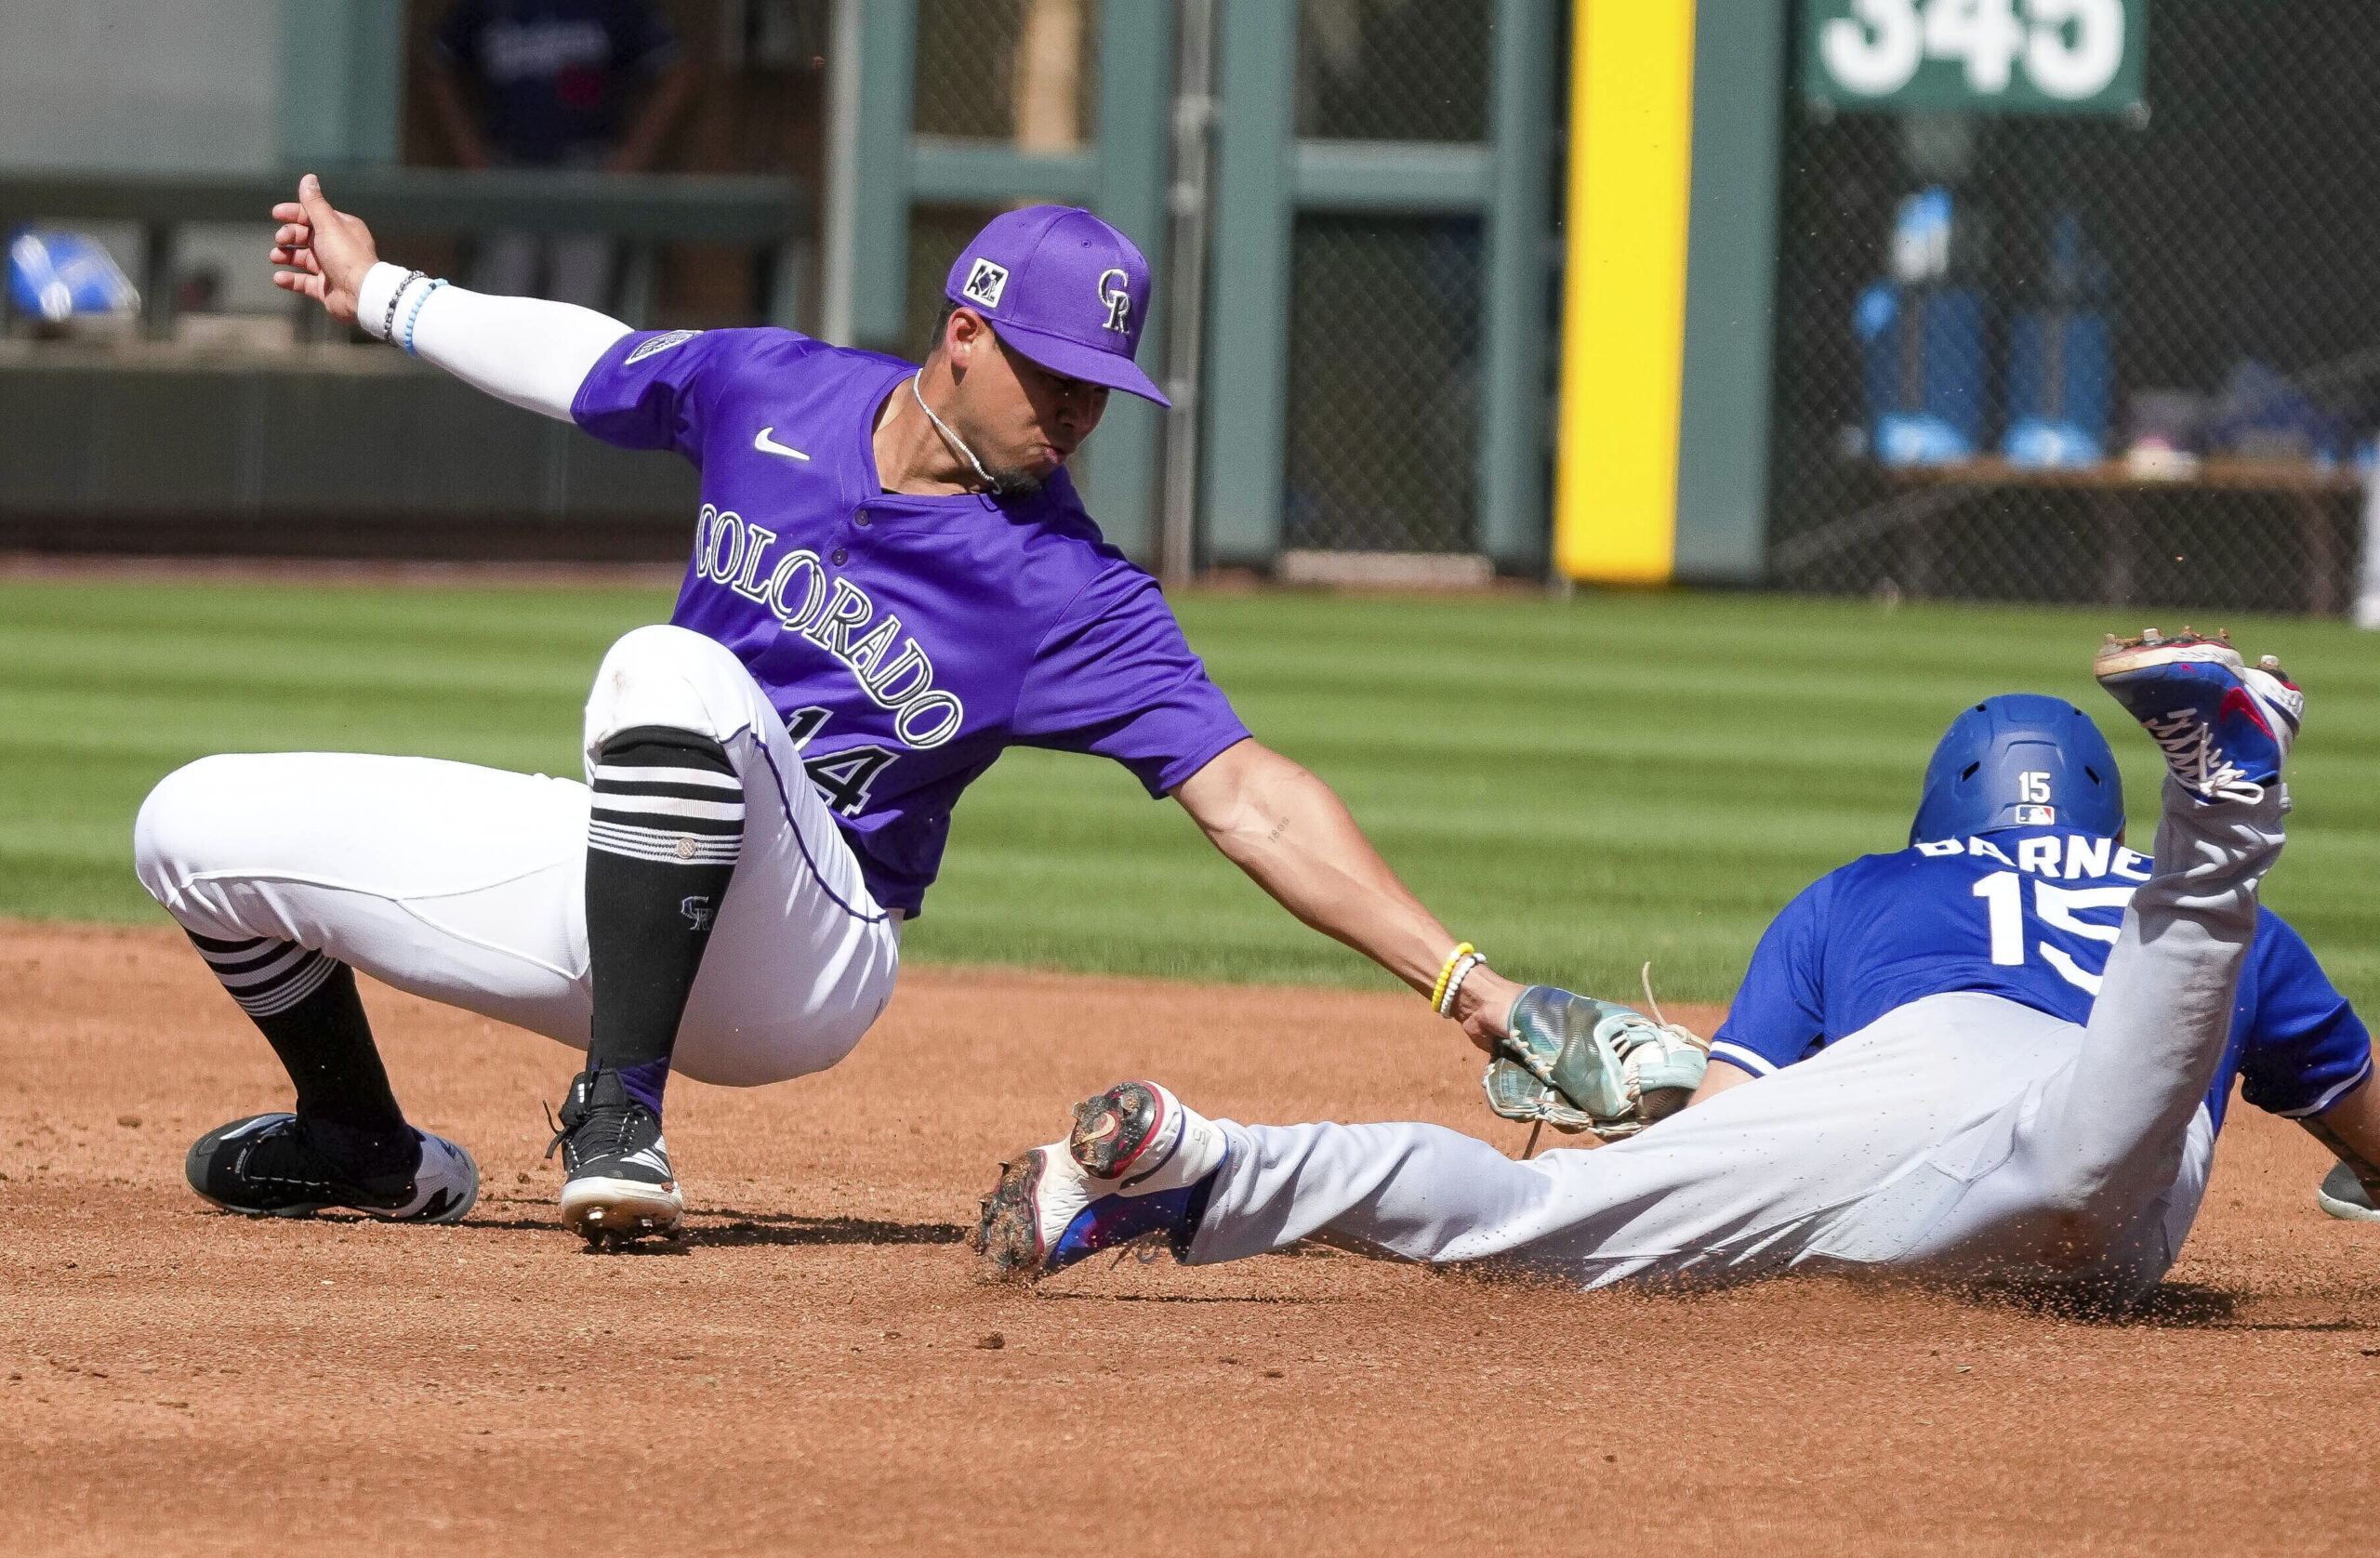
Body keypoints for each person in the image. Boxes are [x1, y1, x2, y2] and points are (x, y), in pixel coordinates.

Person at [130, 175, 1535, 1243]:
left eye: (1103, 388)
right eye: (1054, 375)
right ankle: (362, 1143)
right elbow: (590, 361)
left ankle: (621, 1118)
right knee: (187, 825)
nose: (1080, 413)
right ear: (964, 337)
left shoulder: (1071, 586)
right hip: (637, 882)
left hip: (805, 954)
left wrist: (1468, 985)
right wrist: (384, 292)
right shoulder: (773, 389)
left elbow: (1253, 795)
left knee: (662, 669)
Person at [974, 632, 2380, 1303]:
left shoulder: (1862, 891)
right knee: (2090, 1157)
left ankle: (1206, 1160)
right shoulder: (2218, 941)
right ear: (2092, 817)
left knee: (1541, 1215)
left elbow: (1721, 1117)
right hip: (2106, 1110)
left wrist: (1647, 1109)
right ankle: (2222, 807)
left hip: (1901, 1091)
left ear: (1942, 819)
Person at [418, 0, 698, 309]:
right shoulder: (489, 7)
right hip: (508, 168)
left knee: (580, 306)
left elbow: (677, 69)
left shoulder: (614, 7)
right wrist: (468, 148)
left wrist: (634, 154)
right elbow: (436, 64)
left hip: (587, 168)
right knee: (502, 302)